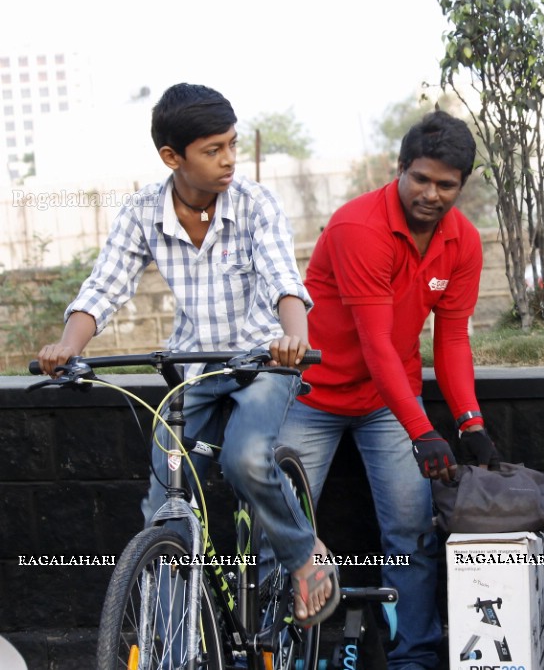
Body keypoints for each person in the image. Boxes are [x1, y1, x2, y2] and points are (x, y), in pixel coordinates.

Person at [35, 83, 339, 626]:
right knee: (164, 498)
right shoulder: (142, 211)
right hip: (196, 366)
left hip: (265, 361)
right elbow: (105, 287)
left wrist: (296, 338)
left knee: (246, 459)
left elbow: (283, 280)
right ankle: (169, 638)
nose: (228, 160)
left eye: (232, 144)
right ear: (171, 158)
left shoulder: (253, 202)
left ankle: (303, 555)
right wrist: (67, 347)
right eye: (212, 149)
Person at [279, 110, 502, 670]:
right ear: (399, 168)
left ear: (462, 184)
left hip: (385, 401)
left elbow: (451, 340)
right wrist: (424, 431)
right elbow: (375, 343)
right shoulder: (360, 228)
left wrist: (470, 421)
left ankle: (415, 656)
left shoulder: (463, 241)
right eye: (420, 178)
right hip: (312, 394)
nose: (431, 193)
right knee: (282, 533)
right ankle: (280, 652)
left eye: (446, 184)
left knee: (412, 531)